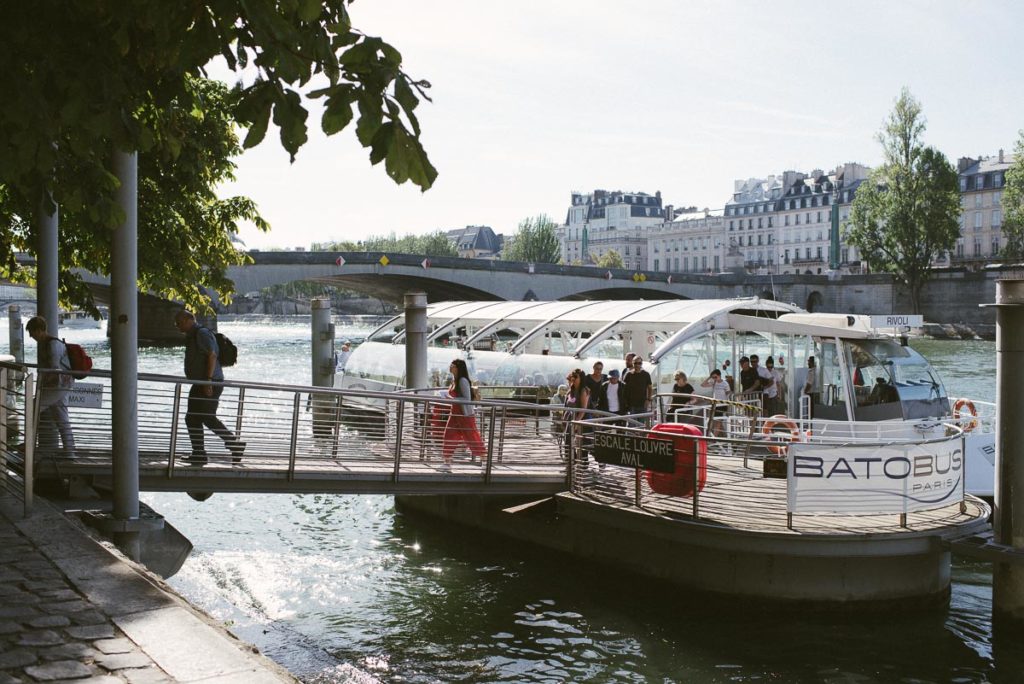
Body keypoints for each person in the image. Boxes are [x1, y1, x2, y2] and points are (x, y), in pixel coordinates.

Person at [174, 310, 245, 466]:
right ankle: (199, 454)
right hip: (200, 383)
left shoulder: (202, 334)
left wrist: (208, 381)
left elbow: (212, 355)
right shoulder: (193, 335)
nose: (178, 327)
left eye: (179, 323)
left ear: (188, 320)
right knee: (192, 418)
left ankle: (234, 444)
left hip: (209, 382)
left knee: (206, 416)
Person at [26, 316, 76, 461]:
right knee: (62, 418)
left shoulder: (52, 345)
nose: (32, 336)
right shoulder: (51, 343)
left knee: (33, 407)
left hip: (57, 385)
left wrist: (42, 383)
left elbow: (53, 370)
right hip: (63, 385)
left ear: (40, 330)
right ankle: (70, 451)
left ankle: (29, 444)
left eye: (32, 332)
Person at [440, 359, 486, 469]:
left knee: (472, 437)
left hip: (464, 415)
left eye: (452, 365)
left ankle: (485, 460)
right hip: (455, 414)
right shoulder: (455, 380)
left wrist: (450, 398)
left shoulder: (462, 381)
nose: (450, 367)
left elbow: (467, 399)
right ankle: (447, 463)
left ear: (458, 368)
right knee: (449, 436)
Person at [562, 369, 590, 462]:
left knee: (583, 444)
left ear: (581, 378)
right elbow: (567, 405)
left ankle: (585, 465)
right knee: (567, 441)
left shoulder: (583, 390)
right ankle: (570, 463)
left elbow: (583, 409)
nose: (573, 378)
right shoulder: (571, 390)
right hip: (570, 419)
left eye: (576, 376)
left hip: (580, 420)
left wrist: (576, 423)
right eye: (572, 376)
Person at [701, 369, 732, 436]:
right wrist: (709, 377)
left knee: (718, 422)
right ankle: (722, 435)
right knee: (714, 421)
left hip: (722, 405)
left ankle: (714, 438)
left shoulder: (725, 383)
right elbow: (703, 385)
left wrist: (728, 405)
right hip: (715, 405)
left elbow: (728, 393)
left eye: (715, 377)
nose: (714, 379)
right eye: (713, 377)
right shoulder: (714, 383)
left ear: (719, 376)